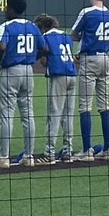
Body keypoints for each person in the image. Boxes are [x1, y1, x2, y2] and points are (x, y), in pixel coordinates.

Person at [0, 0, 43, 168]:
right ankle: (29, 156)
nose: (5, 10)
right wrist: (30, 58)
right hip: (28, 71)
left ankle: (3, 157)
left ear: (13, 10)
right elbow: (44, 48)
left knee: (6, 114)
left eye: (7, 7)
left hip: (11, 71)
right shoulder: (33, 26)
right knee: (27, 114)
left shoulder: (6, 26)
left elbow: (2, 47)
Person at [72, 0, 109, 159]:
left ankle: (87, 149)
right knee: (104, 105)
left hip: (89, 59)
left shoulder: (87, 12)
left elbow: (74, 34)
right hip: (105, 58)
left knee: (84, 106)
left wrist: (84, 38)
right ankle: (108, 148)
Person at [34, 14, 76, 164]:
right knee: (68, 116)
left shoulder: (45, 36)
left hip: (58, 77)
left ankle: (49, 154)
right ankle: (68, 151)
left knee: (54, 115)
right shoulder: (66, 36)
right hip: (72, 75)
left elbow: (43, 56)